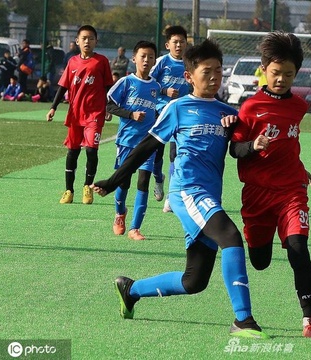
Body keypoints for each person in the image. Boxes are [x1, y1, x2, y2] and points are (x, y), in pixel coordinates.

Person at [90, 38, 268, 339]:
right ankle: (243, 320)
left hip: (209, 196)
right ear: (189, 76)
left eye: (218, 71)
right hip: (187, 190)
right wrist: (115, 179)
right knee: (230, 236)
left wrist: (243, 139)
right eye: (206, 71)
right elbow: (145, 146)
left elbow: (238, 151)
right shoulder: (178, 107)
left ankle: (130, 290)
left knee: (194, 281)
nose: (214, 77)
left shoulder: (227, 112)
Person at [229, 31, 311, 338]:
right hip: (256, 196)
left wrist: (300, 167)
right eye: (275, 72)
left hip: (291, 191)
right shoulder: (250, 107)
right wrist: (253, 146)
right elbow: (235, 150)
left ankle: (310, 321)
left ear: (296, 74)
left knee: (298, 249)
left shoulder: (299, 106)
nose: (281, 79)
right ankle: (259, 244)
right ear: (264, 70)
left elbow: (289, 141)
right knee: (259, 261)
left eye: (288, 74)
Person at [46, 25, 114, 205]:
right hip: (75, 114)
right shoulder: (73, 62)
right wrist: (53, 107)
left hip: (95, 114)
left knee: (91, 150)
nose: (87, 41)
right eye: (84, 38)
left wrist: (108, 107)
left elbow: (109, 87)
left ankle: (87, 187)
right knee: (73, 152)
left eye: (91, 38)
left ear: (96, 41)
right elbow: (63, 86)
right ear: (77, 41)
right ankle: (69, 190)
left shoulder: (101, 62)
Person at [106, 40, 160, 241]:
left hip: (147, 143)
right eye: (143, 56)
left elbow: (160, 109)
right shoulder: (126, 82)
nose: (146, 60)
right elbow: (109, 106)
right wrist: (130, 114)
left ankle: (135, 228)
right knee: (123, 182)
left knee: (144, 181)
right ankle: (120, 213)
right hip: (127, 141)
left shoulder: (156, 86)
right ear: (134, 58)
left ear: (155, 60)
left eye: (151, 57)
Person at [150, 25, 191, 209]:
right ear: (168, 45)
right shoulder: (161, 62)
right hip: (160, 112)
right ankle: (159, 179)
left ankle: (171, 197)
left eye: (182, 41)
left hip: (180, 114)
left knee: (176, 154)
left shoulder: (190, 63)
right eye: (175, 42)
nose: (179, 45)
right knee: (156, 152)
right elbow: (147, 83)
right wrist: (164, 90)